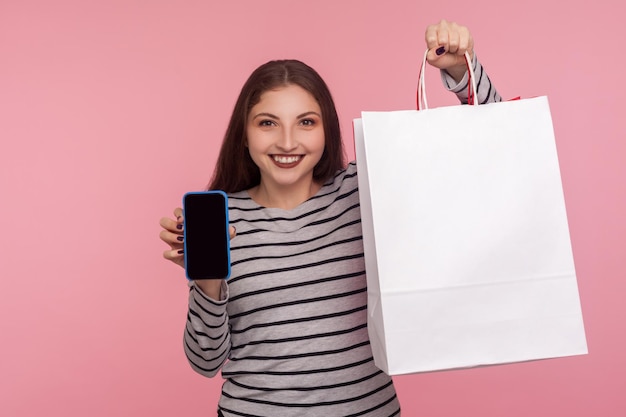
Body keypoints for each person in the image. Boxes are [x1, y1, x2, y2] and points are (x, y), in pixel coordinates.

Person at [159, 19, 502, 417]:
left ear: (327, 129)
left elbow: (488, 151)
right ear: (245, 134)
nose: (287, 142)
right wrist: (207, 282)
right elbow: (204, 362)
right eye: (268, 123)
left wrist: (462, 72)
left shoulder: (364, 190)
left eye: (306, 122)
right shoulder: (221, 218)